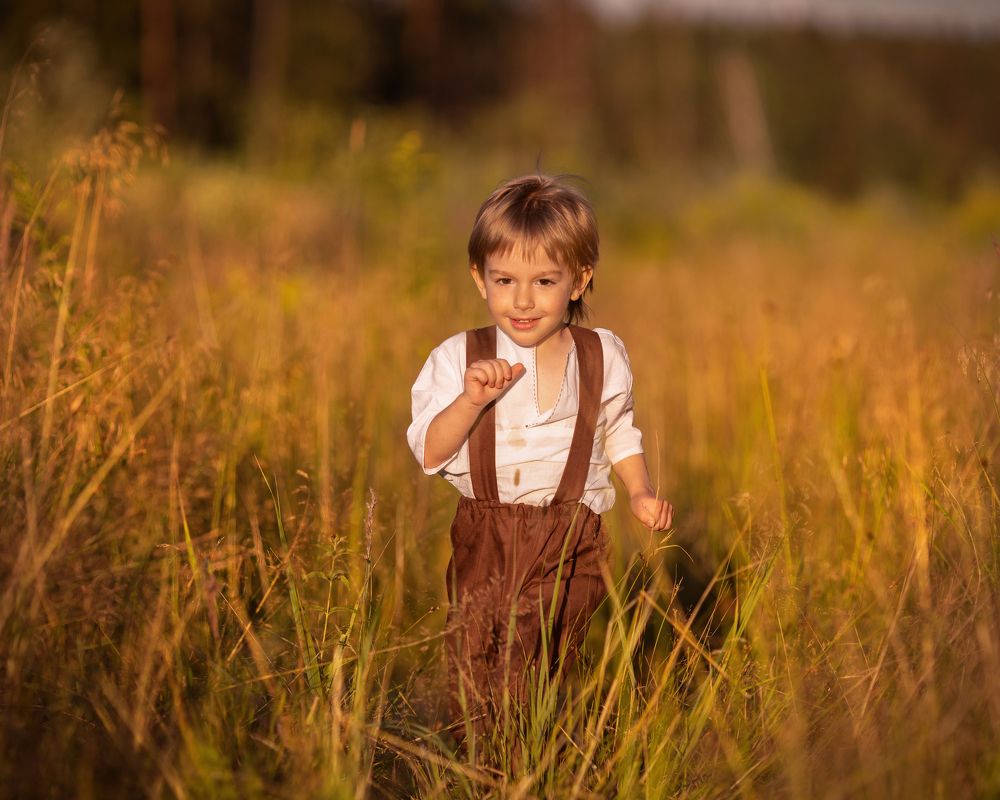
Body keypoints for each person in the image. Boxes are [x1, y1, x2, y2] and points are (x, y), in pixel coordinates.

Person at [407, 174, 673, 740]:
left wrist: (640, 491)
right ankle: (493, 764)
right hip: (488, 533)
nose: (522, 300)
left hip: (571, 535)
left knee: (537, 662)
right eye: (504, 280)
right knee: (478, 665)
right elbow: (430, 451)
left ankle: (528, 756)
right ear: (479, 278)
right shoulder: (462, 358)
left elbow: (618, 430)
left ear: (579, 280)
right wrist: (469, 401)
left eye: (543, 281)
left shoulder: (601, 355)